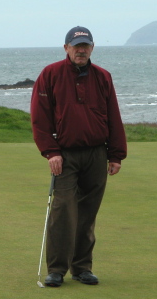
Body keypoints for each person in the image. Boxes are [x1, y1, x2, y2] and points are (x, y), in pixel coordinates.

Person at [30, 26, 127, 287]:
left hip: (96, 153)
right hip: (65, 155)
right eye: (76, 46)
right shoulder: (50, 74)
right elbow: (40, 118)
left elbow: (114, 117)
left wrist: (116, 154)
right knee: (63, 211)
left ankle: (82, 267)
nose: (81, 50)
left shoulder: (103, 77)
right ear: (66, 49)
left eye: (85, 46)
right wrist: (51, 151)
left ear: (92, 48)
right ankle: (57, 270)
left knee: (87, 213)